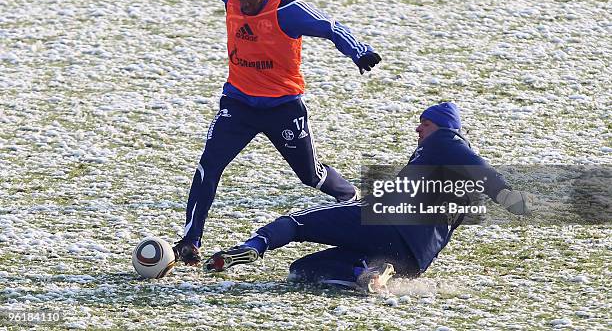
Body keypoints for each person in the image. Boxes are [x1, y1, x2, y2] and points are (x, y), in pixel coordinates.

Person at [173, 0, 382, 265]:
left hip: (283, 108)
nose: (244, 5)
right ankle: (190, 242)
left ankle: (347, 194)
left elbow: (330, 27)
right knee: (208, 167)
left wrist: (359, 52)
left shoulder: (288, 11)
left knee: (310, 174)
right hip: (237, 104)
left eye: (252, 0)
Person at [202, 103, 533, 293]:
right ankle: (371, 271)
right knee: (302, 271)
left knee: (297, 221)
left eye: (424, 123)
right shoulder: (445, 168)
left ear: (443, 127)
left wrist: (507, 195)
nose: (418, 130)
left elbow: (482, 171)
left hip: (389, 225)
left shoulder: (446, 142)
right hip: (413, 260)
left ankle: (251, 247)